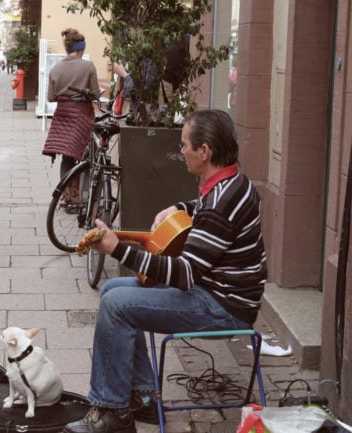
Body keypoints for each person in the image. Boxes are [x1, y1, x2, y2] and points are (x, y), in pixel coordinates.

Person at [63, 109, 267, 433]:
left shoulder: (221, 202)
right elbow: (203, 207)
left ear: (205, 152)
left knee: (117, 306)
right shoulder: (233, 181)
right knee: (111, 291)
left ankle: (111, 409)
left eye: (185, 144)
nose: (181, 150)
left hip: (223, 308)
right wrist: (181, 207)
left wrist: (117, 248)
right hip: (217, 293)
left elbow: (184, 274)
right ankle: (143, 399)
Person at [42, 28, 101, 209]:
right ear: (81, 49)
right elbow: (96, 93)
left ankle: (68, 196)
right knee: (86, 156)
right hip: (81, 116)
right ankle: (82, 196)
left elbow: (51, 98)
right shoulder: (88, 66)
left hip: (62, 116)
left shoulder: (56, 69)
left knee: (67, 158)